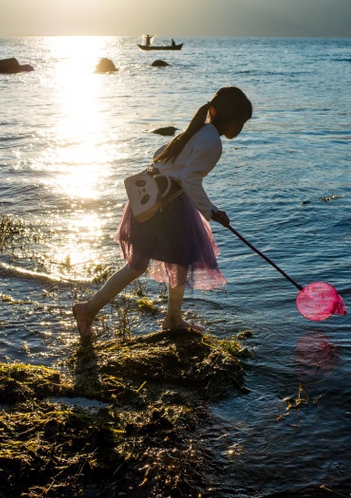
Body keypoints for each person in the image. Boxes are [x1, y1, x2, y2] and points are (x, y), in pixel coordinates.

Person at [73, 86, 253, 340]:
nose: (240, 128)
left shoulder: (195, 131)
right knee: (141, 265)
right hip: (166, 206)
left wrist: (207, 208)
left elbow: (160, 158)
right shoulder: (212, 141)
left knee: (174, 261)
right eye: (239, 122)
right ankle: (88, 310)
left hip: (154, 198)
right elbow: (190, 179)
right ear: (218, 114)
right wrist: (212, 211)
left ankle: (172, 318)